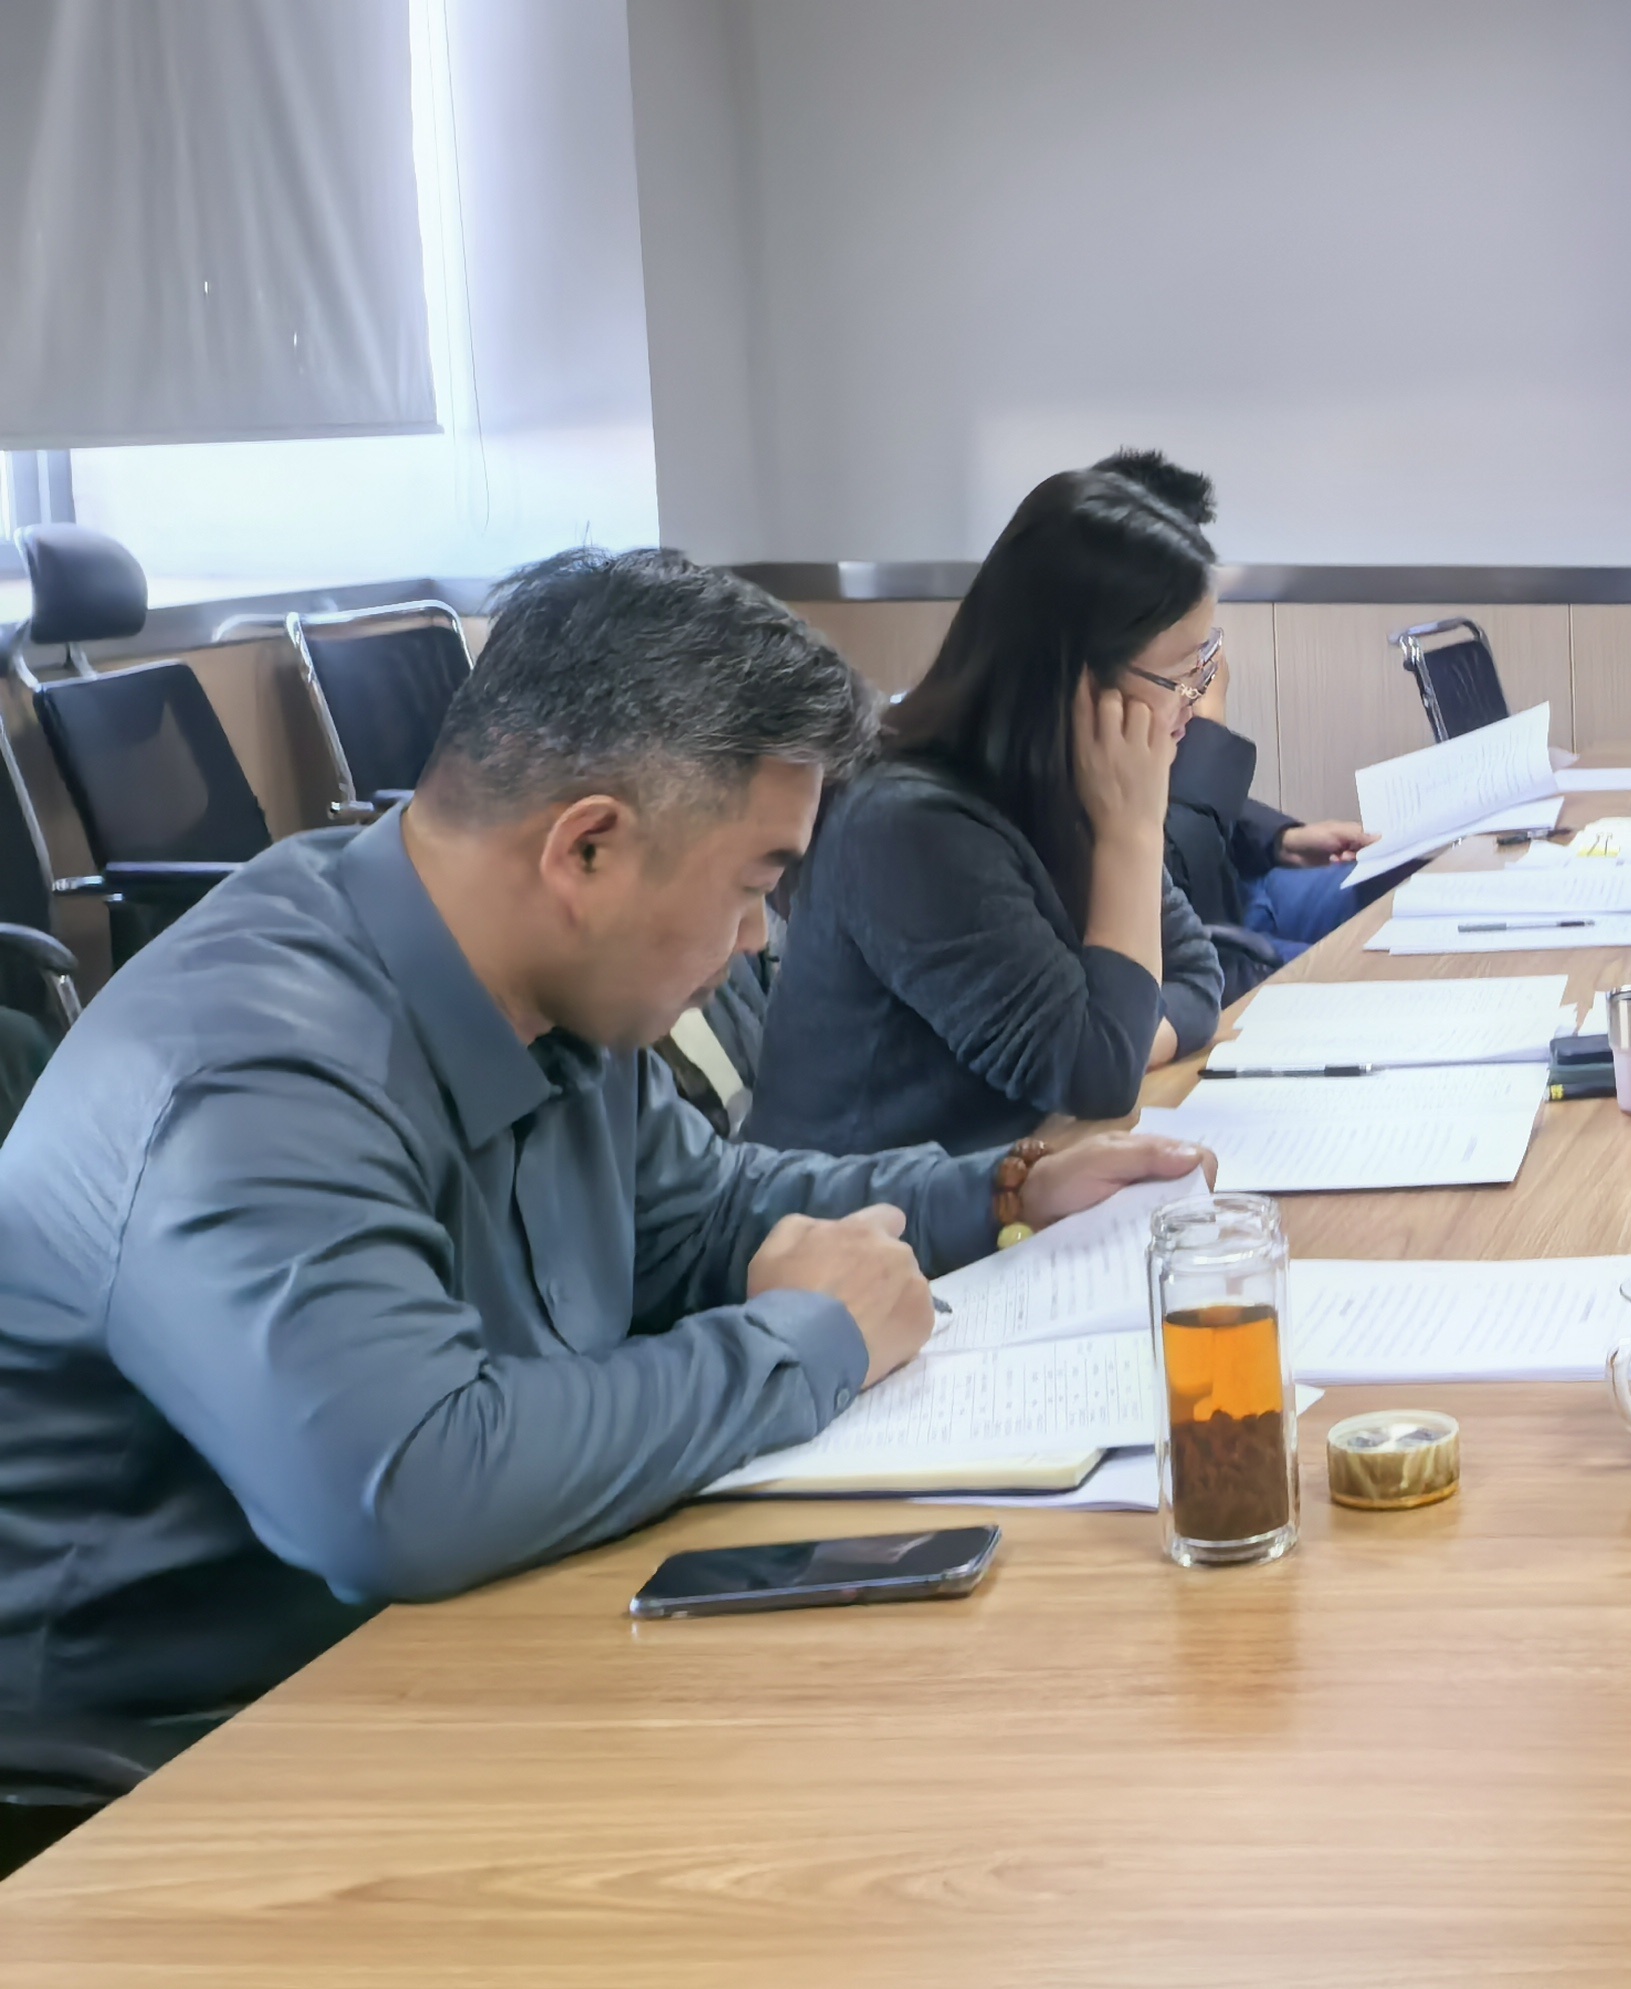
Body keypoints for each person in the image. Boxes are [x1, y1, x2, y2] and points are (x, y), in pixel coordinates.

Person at [0, 548, 1205, 1774]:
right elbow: (409, 1490)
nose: (757, 940)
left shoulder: (548, 983)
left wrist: (1004, 1193)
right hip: (166, 1772)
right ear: (586, 849)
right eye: (755, 883)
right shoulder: (248, 1071)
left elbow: (700, 1218)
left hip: (451, 1651)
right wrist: (809, 1339)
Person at [749, 455, 1234, 1155]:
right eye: (1180, 676)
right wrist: (1131, 835)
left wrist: (1125, 1040)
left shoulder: (1071, 786)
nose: (1193, 702)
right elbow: (1098, 1076)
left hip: (1023, 1179)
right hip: (871, 1215)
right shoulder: (907, 828)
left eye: (1202, 668)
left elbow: (1196, 977)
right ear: (1078, 679)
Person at [1085, 453, 1374, 969]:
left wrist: (1280, 839)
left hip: (1242, 884)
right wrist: (1205, 721)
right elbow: (1167, 869)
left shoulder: (1163, 661)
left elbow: (1184, 799)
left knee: (1403, 885)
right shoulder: (1089, 702)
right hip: (1201, 936)